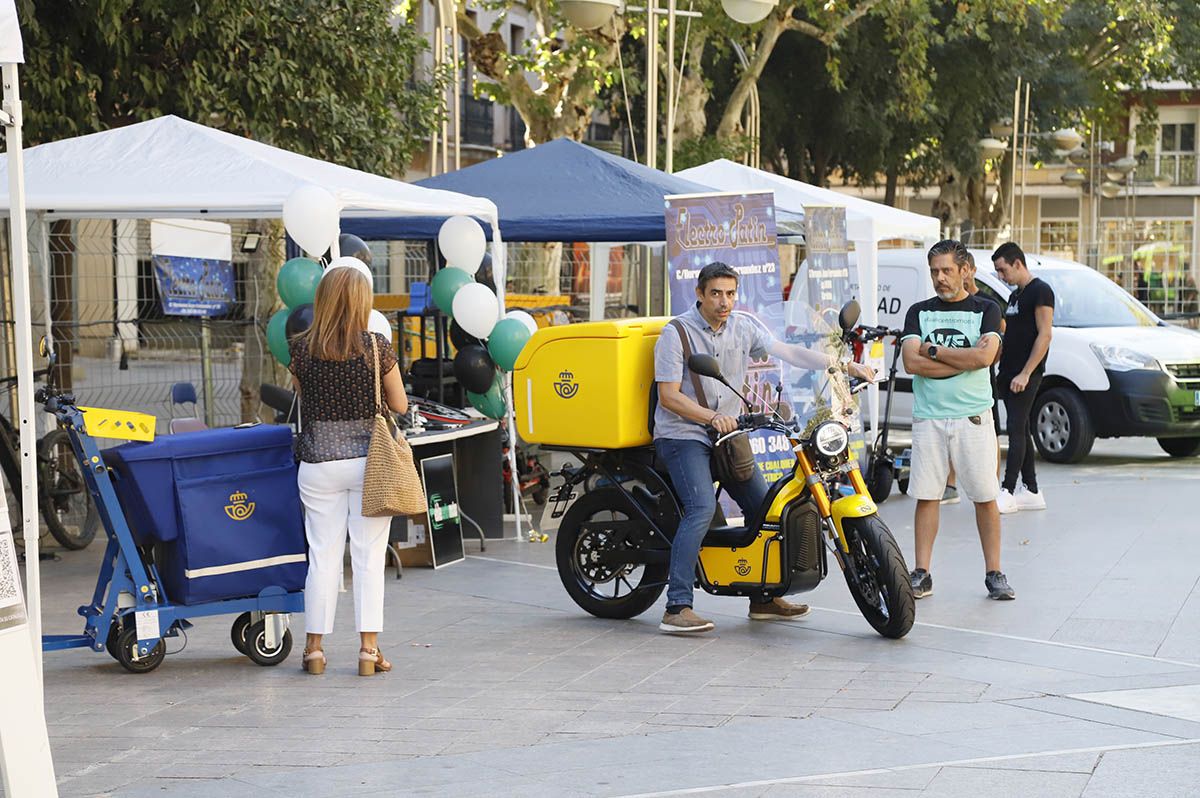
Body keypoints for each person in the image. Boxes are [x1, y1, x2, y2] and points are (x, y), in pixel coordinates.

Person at [653, 262, 876, 634]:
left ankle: (764, 597)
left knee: (767, 508)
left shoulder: (742, 325)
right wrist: (709, 417)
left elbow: (787, 352)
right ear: (699, 294)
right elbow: (669, 397)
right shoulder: (676, 334)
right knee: (701, 508)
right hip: (683, 435)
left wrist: (842, 366)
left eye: (730, 293)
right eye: (716, 294)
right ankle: (677, 606)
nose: (724, 302)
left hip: (727, 433)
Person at [288, 267, 409, 675]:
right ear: (362, 301)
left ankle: (315, 650)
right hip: (368, 463)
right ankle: (368, 651)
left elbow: (304, 398)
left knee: (322, 556)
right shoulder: (377, 348)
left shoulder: (301, 350)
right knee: (369, 556)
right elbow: (400, 404)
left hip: (318, 462)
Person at [901, 240, 1014, 601]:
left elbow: (984, 359)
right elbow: (910, 363)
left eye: (947, 270)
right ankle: (922, 573)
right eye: (934, 271)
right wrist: (960, 359)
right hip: (929, 418)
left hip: (973, 418)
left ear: (965, 270)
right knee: (926, 496)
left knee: (984, 496)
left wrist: (934, 350)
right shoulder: (918, 311)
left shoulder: (987, 308)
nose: (940, 278)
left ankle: (994, 573)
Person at [992, 242, 1055, 512]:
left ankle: (1007, 489)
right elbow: (1012, 334)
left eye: (1003, 270)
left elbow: (1045, 334)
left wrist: (1027, 373)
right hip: (1007, 373)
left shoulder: (1041, 291)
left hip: (1025, 375)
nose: (1001, 276)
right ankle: (1031, 489)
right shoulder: (1015, 296)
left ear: (1018, 263)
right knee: (1022, 429)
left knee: (1016, 429)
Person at [943, 251, 1005, 505]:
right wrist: (965, 355)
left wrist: (983, 357)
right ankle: (950, 484)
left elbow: (993, 345)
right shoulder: (942, 305)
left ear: (970, 271)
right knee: (949, 432)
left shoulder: (987, 304)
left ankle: (994, 487)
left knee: (991, 437)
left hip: (981, 382)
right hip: (949, 389)